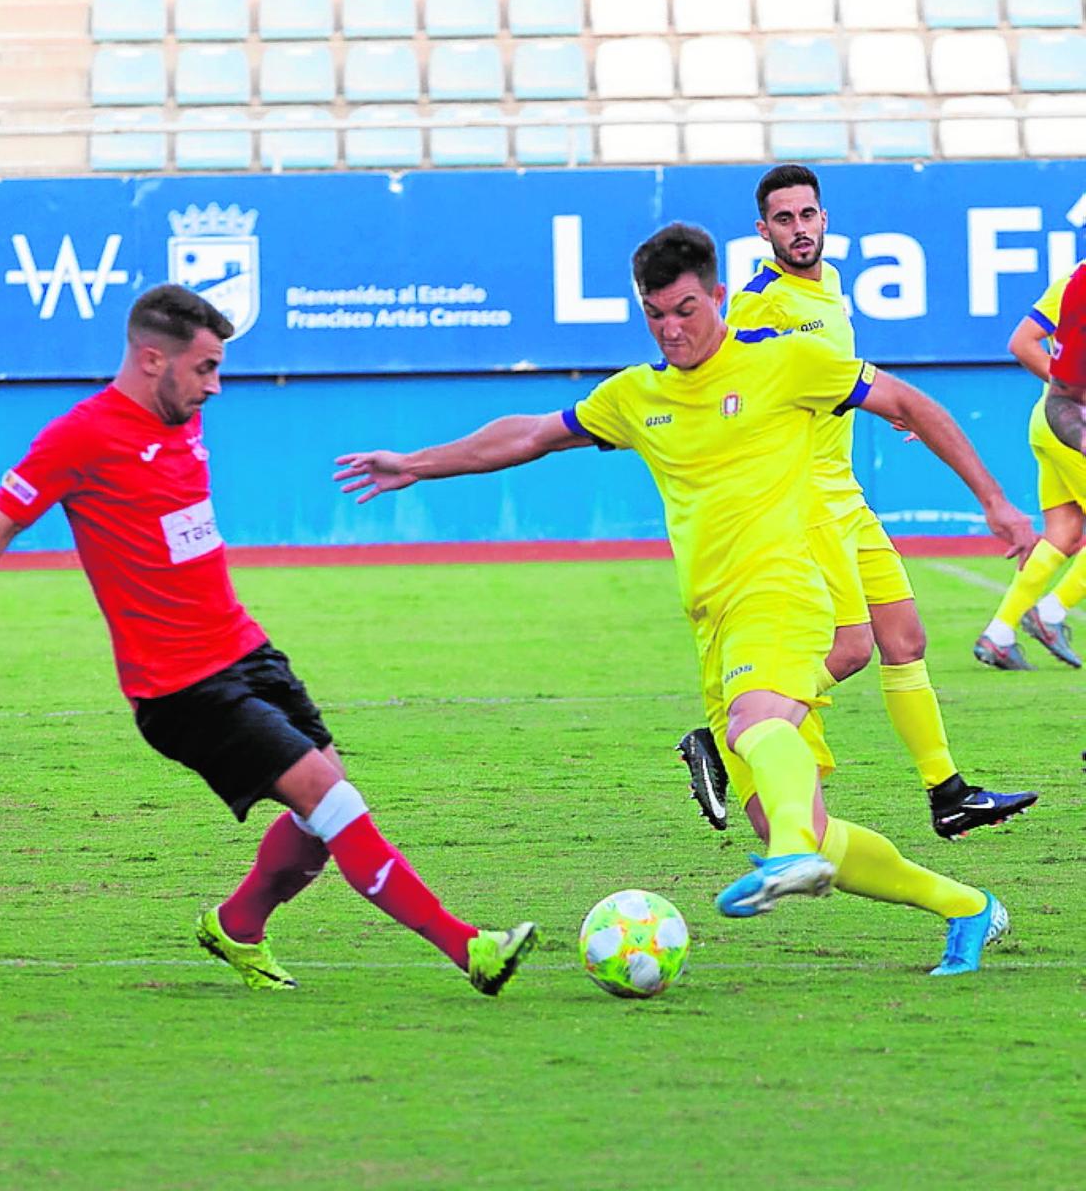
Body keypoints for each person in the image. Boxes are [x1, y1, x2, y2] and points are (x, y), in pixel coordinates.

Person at [336, 223, 1035, 975]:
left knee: (755, 724)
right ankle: (965, 905)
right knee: (778, 816)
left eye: (687, 309)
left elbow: (910, 403)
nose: (672, 329)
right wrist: (418, 463)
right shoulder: (639, 396)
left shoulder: (787, 360)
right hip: (712, 618)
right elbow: (532, 435)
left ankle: (798, 854)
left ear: (720, 297)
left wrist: (994, 502)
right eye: (656, 314)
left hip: (787, 588)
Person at [0, 283, 537, 998]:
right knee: (333, 804)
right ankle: (471, 950)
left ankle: (238, 925)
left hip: (246, 651)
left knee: (325, 812)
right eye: (205, 367)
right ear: (153, 359)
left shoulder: (179, 417)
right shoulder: (79, 438)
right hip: (179, 688)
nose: (216, 385)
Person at [673, 165, 1037, 841]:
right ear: (763, 232)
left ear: (823, 217)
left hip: (846, 494)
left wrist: (865, 404)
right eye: (784, 220)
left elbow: (822, 379)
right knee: (850, 647)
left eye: (807, 214)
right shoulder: (759, 302)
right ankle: (722, 741)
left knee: (906, 639)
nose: (799, 229)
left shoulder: (830, 286)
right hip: (805, 499)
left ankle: (948, 793)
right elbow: (740, 389)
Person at [975, 260, 1086, 670]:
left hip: (1049, 419)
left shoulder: (1070, 280)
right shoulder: (1076, 285)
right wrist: (1074, 392)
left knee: (1065, 534)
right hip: (1069, 422)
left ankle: (999, 635)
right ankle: (1051, 612)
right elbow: (1022, 343)